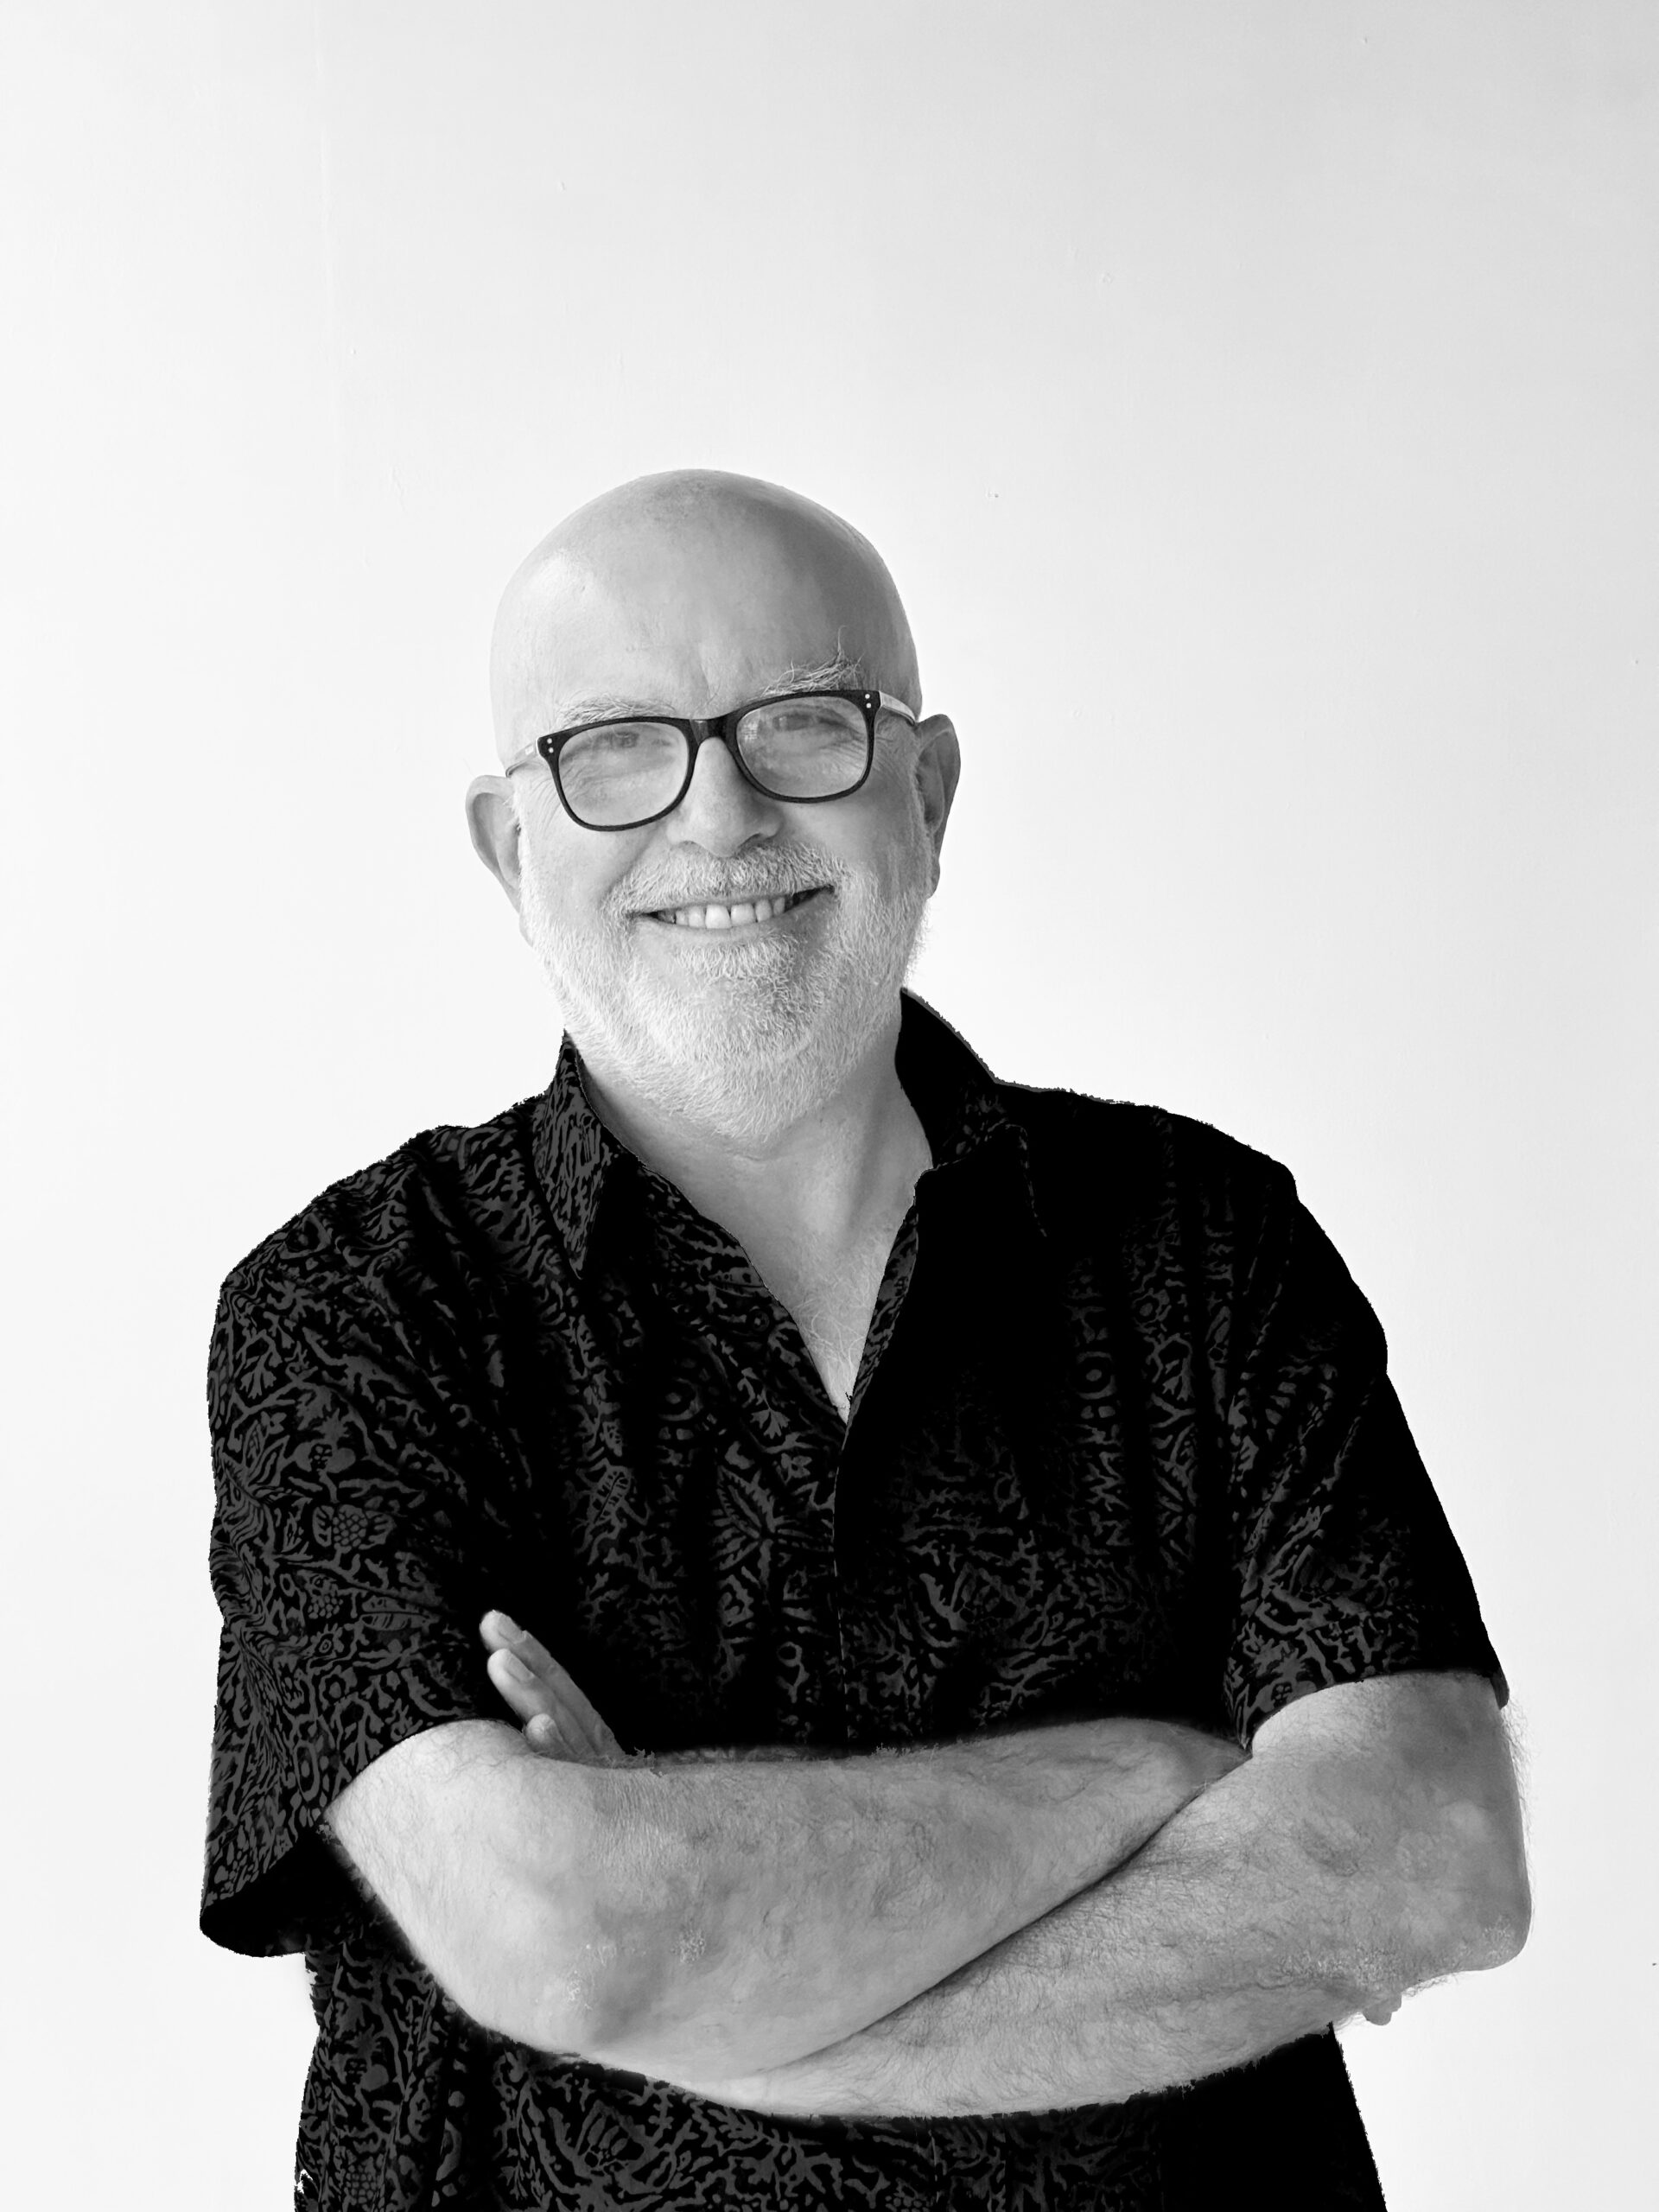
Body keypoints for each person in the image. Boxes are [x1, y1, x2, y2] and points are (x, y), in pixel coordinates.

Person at [201, 469, 1528, 2210]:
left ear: (929, 790)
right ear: (511, 845)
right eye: (616, 749)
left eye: (804, 724)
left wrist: (724, 2013)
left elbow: (1429, 1853)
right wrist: (1155, 1770)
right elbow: (559, 1928)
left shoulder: (1207, 1245)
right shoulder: (360, 1308)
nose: (721, 815)